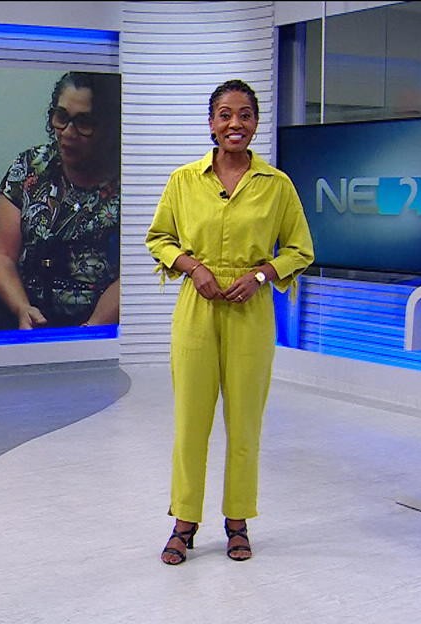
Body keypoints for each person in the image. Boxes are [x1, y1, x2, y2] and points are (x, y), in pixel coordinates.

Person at [145, 79, 315, 564]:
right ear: (211, 123)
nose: (234, 123)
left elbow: (300, 249)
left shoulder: (277, 186)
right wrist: (192, 267)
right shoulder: (183, 181)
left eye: (245, 114)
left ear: (256, 123)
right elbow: (159, 238)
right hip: (196, 311)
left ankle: (237, 521)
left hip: (250, 312)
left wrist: (262, 275)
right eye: (225, 114)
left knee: (245, 424)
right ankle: (184, 522)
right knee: (190, 423)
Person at [0, 71, 121, 330]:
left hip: (98, 322)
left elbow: (135, 272)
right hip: (22, 312)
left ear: (107, 126)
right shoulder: (30, 166)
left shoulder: (128, 180)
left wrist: (93, 328)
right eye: (61, 117)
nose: (68, 132)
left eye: (84, 122)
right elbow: (2, 255)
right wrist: (21, 308)